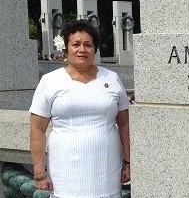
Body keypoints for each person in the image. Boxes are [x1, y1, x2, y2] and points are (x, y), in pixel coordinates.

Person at [29, 19, 130, 198]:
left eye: (88, 45)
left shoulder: (112, 79)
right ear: (66, 48)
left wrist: (128, 163)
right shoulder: (50, 81)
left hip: (106, 170)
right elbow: (37, 129)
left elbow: (124, 124)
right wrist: (39, 172)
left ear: (95, 49)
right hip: (66, 173)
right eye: (75, 44)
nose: (82, 50)